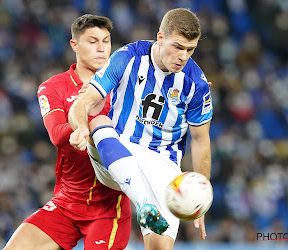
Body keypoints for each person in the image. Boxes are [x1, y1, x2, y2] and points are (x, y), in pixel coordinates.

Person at [69, 8, 213, 250]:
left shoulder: (196, 84)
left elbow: (200, 140)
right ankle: (144, 202)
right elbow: (81, 105)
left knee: (159, 247)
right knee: (98, 121)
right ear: (160, 38)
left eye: (190, 50)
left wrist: (202, 196)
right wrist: (80, 128)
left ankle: (146, 206)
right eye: (177, 47)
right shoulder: (128, 57)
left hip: (162, 163)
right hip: (115, 152)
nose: (183, 56)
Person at [3, 14, 131, 250]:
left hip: (108, 208)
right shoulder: (53, 87)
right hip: (66, 203)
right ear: (74, 44)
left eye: (106, 41)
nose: (102, 49)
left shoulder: (126, 88)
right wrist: (82, 120)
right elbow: (56, 134)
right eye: (93, 41)